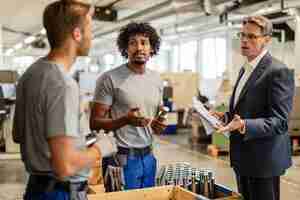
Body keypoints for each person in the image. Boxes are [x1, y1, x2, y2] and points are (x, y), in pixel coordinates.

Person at [12, 1, 112, 199]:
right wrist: (101, 148)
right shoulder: (63, 84)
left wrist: (81, 142)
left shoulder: (30, 74)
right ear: (77, 34)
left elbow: (18, 135)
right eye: (90, 28)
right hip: (61, 192)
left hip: (37, 188)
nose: (92, 36)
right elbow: (64, 166)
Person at [213, 16, 294, 200]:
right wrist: (226, 117)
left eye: (252, 36)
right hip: (244, 159)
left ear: (267, 40)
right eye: (242, 35)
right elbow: (247, 110)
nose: (244, 40)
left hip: (263, 161)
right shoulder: (246, 69)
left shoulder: (277, 71)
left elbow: (280, 122)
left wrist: (244, 125)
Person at [90, 22, 166, 190]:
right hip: (120, 159)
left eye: (144, 42)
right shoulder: (109, 79)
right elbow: (94, 123)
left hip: (148, 158)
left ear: (152, 48)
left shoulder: (156, 79)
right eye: (133, 43)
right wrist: (125, 120)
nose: (139, 47)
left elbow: (152, 118)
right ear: (125, 49)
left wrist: (156, 124)